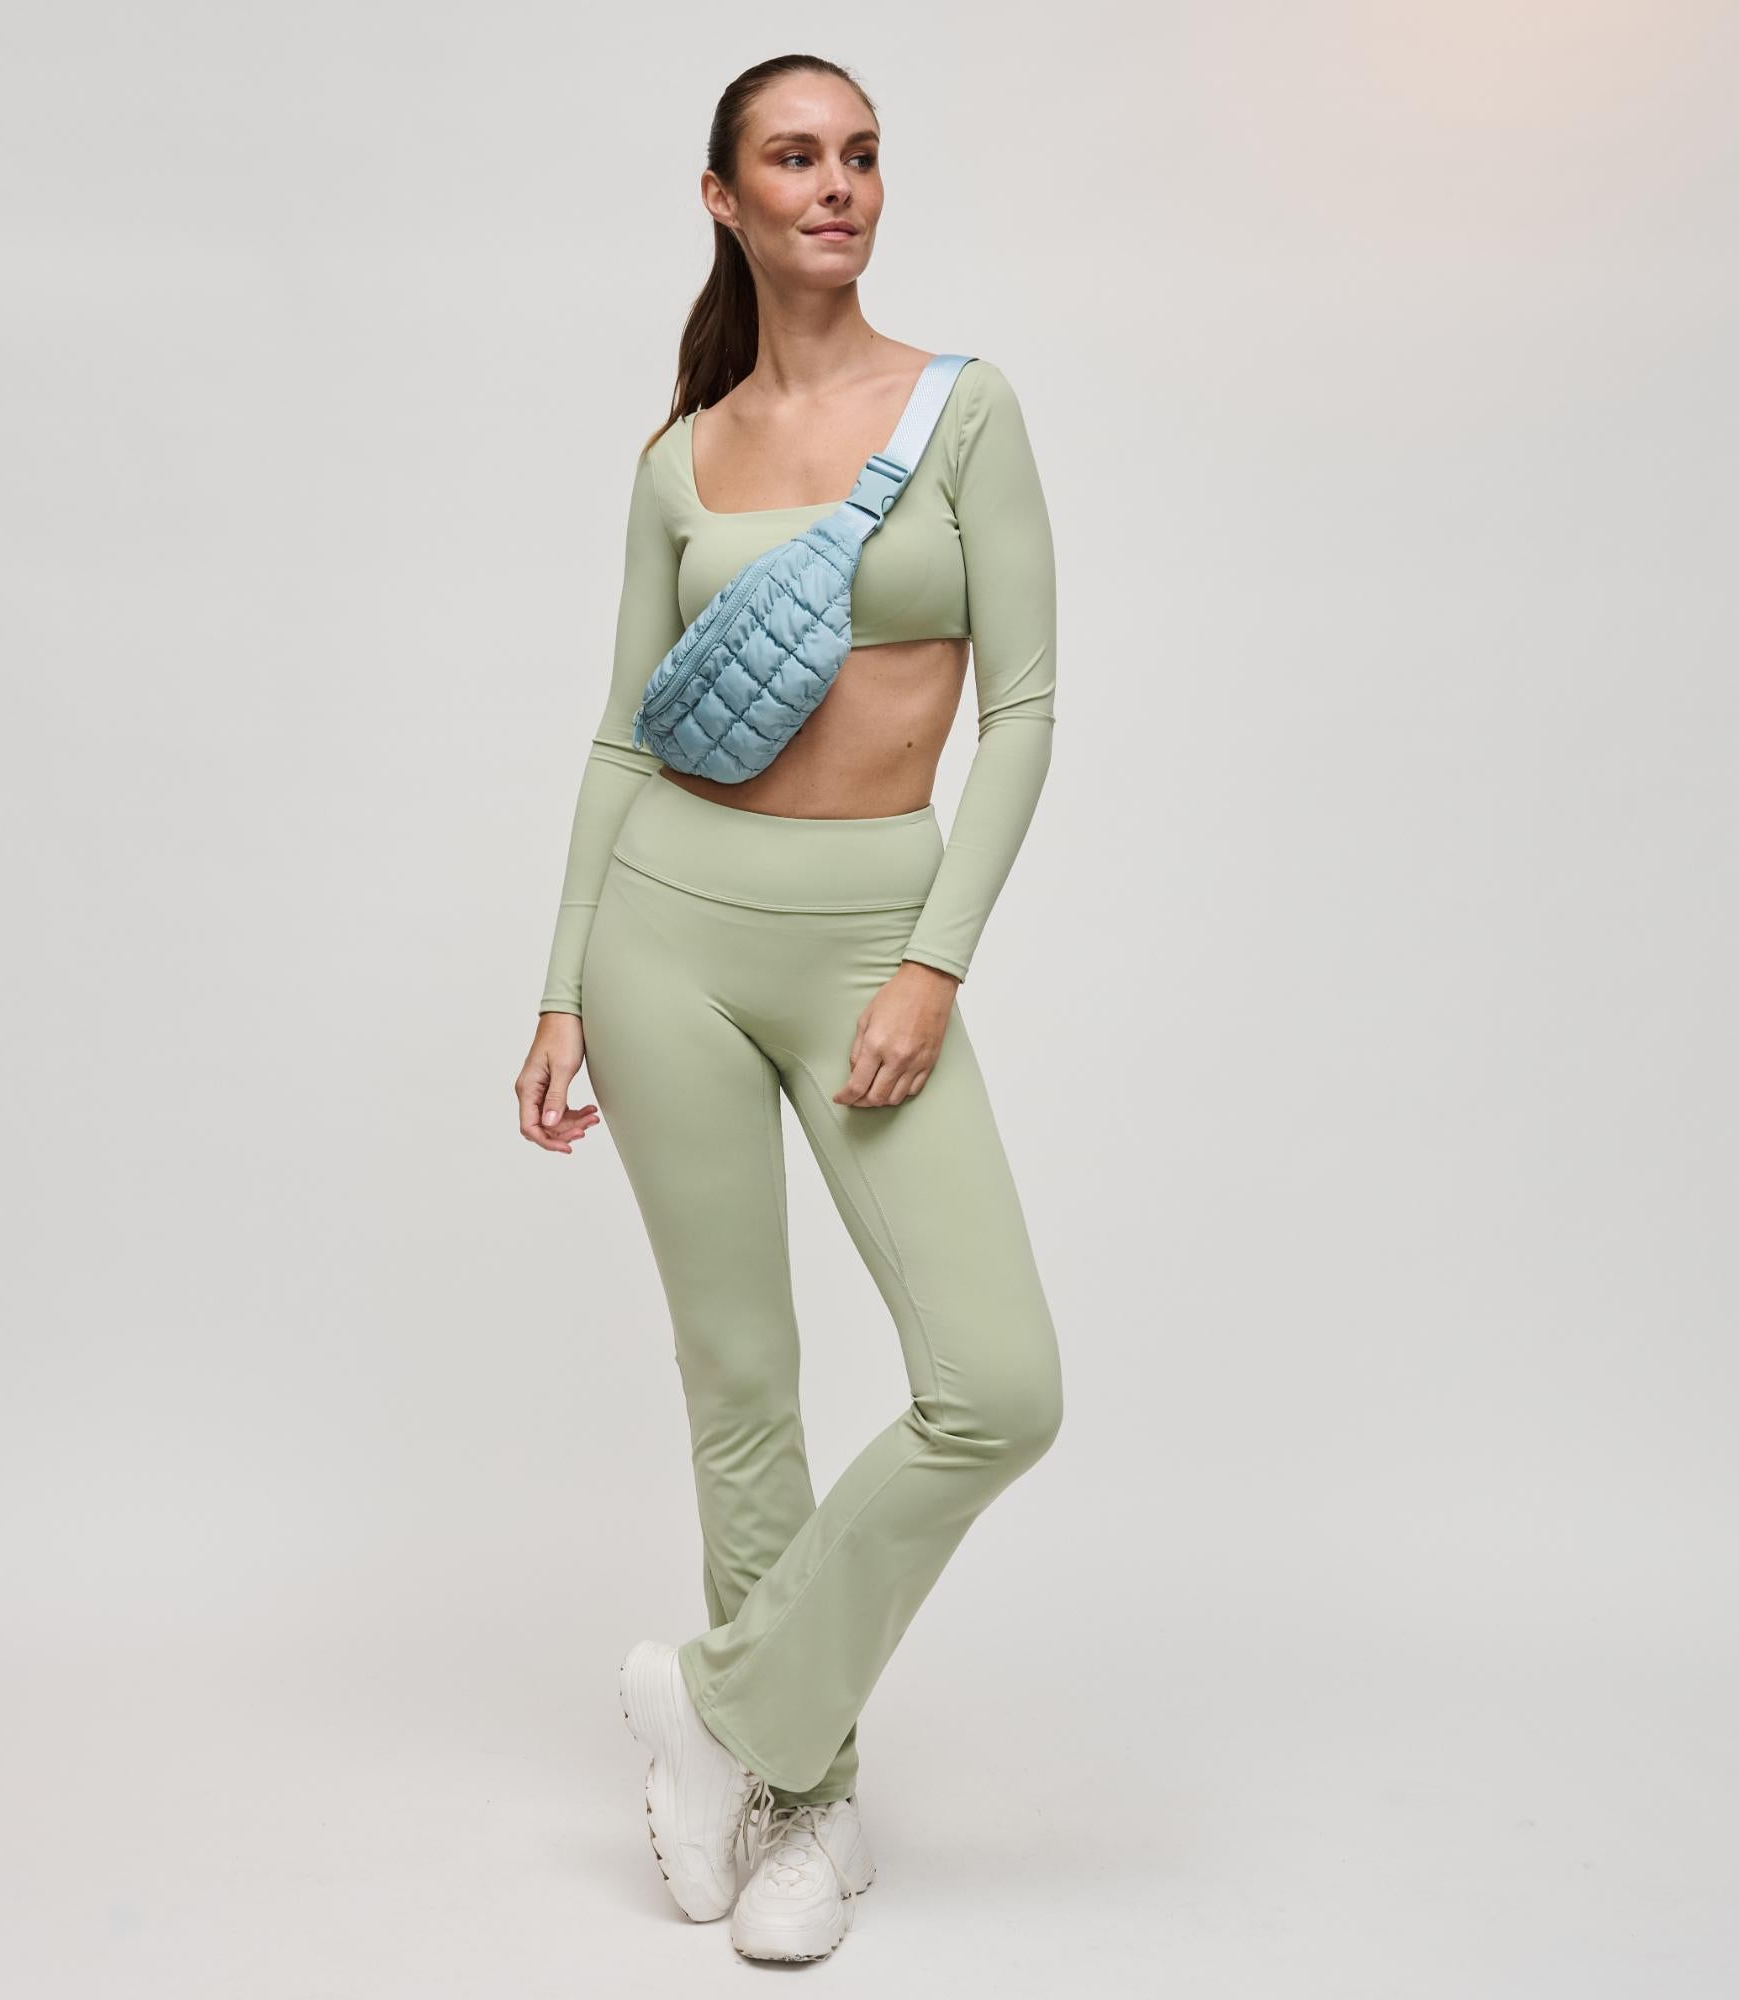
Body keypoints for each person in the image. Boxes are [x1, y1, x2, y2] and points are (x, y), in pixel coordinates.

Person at [515, 52, 1063, 1962]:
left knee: (997, 1387)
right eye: (796, 157)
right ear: (723, 198)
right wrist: (560, 988)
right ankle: (802, 1804)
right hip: (663, 932)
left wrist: (932, 959)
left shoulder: (965, 410)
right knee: (741, 1381)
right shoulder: (679, 458)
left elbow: (1026, 713)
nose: (839, 185)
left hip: (870, 934)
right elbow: (619, 736)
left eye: (863, 155)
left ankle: (720, 1703)